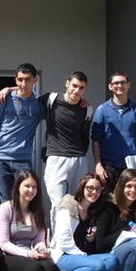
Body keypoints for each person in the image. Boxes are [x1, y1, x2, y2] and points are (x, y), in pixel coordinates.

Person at [49, 173, 119, 271]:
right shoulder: (68, 206)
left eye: (98, 189)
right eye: (90, 188)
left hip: (79, 256)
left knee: (112, 261)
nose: (94, 192)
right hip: (63, 255)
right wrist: (84, 256)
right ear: (82, 187)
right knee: (97, 265)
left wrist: (90, 238)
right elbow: (63, 240)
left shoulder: (92, 210)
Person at [0, 63, 43, 202]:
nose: (23, 83)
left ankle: (24, 224)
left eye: (27, 79)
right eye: (20, 79)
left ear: (35, 80)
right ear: (16, 80)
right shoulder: (3, 100)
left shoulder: (39, 105)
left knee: (27, 199)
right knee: (5, 201)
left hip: (23, 159)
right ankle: (7, 225)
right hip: (0, 158)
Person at [91, 72, 136, 192]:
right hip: (108, 167)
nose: (119, 85)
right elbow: (95, 139)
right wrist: (98, 165)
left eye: (123, 82)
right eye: (116, 83)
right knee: (109, 205)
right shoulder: (102, 110)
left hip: (131, 167)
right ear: (110, 86)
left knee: (131, 204)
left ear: (128, 85)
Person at [42, 71, 93, 206]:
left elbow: (85, 137)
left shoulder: (87, 109)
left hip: (79, 160)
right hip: (56, 158)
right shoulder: (51, 99)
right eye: (74, 86)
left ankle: (74, 229)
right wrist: (8, 89)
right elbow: (27, 97)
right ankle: (58, 229)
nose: (76, 91)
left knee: (77, 204)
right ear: (67, 83)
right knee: (58, 204)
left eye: (81, 88)